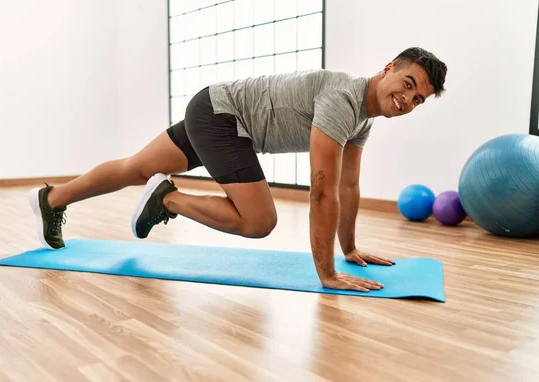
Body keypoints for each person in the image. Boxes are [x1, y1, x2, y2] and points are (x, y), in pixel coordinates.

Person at [28, 47, 447, 293]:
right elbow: (322, 191)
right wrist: (327, 274)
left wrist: (349, 249)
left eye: (418, 100)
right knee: (260, 220)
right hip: (224, 118)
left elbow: (350, 186)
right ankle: (168, 198)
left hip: (215, 107)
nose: (407, 100)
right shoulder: (343, 100)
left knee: (136, 167)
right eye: (408, 84)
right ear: (388, 68)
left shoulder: (361, 120)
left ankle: (52, 198)